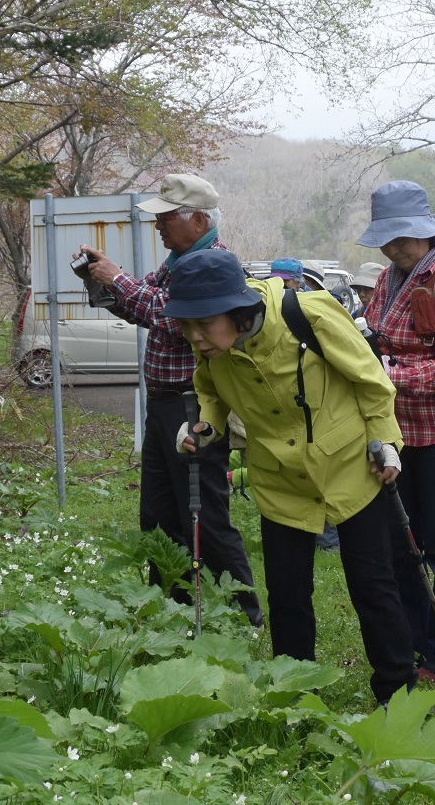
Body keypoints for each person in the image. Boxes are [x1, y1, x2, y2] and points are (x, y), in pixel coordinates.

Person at [167, 249, 415, 703]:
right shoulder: (214, 349)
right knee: (286, 596)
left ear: (237, 310)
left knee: (373, 585)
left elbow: (372, 382)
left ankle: (396, 694)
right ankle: (294, 694)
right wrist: (202, 426)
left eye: (203, 323)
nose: (194, 336)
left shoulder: (309, 314)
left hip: (350, 467)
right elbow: (209, 393)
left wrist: (388, 443)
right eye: (186, 325)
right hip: (278, 477)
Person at [78, 174, 262, 626]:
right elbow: (142, 306)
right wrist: (101, 282)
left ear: (198, 219)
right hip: (163, 404)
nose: (158, 226)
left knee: (205, 512)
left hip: (195, 405)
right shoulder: (179, 258)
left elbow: (166, 315)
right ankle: (169, 607)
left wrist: (118, 279)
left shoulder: (214, 263)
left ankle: (244, 615)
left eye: (165, 217)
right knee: (159, 515)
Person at [358, 180, 435, 682]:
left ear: (428, 232)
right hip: (400, 431)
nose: (394, 248)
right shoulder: (392, 278)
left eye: (403, 238)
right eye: (387, 240)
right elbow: (372, 329)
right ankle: (415, 642)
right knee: (402, 546)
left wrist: (385, 374)